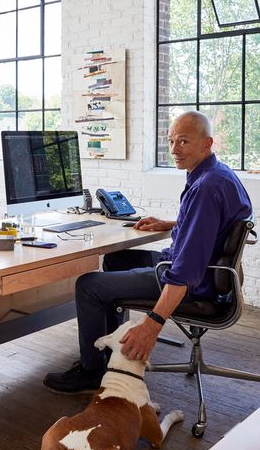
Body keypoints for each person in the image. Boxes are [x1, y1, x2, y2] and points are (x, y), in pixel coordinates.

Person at [43, 111, 252, 394]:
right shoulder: (219, 175)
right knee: (117, 258)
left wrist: (152, 325)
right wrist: (171, 223)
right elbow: (214, 226)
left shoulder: (205, 187)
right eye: (171, 141)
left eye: (184, 142)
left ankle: (92, 371)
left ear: (207, 143)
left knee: (88, 286)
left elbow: (185, 273)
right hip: (208, 272)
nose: (174, 149)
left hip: (193, 283)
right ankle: (114, 349)